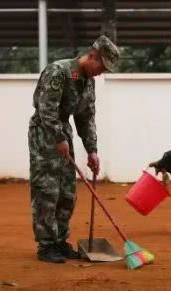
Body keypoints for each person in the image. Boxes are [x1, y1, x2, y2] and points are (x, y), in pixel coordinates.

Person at [28, 35, 120, 263]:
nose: (101, 72)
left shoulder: (88, 81)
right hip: (45, 133)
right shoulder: (58, 71)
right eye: (101, 66)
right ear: (92, 56)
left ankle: (60, 240)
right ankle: (46, 245)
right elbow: (46, 109)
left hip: (63, 133)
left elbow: (86, 117)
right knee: (47, 189)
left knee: (67, 191)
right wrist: (59, 137)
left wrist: (92, 150)